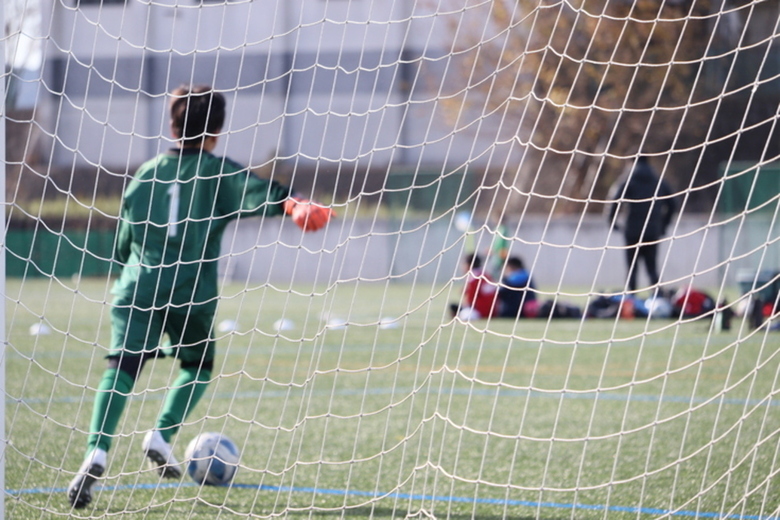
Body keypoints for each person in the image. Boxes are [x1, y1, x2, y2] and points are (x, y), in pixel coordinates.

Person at [67, 85, 334, 509]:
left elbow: (122, 245)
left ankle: (96, 451)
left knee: (122, 365)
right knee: (197, 364)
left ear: (171, 125)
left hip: (137, 284)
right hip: (189, 289)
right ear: (218, 130)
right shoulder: (214, 171)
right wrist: (296, 203)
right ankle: (161, 433)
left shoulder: (145, 175)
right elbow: (259, 191)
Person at [607, 155, 677, 293]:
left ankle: (632, 301)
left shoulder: (627, 180)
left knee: (632, 268)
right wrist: (663, 225)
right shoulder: (658, 181)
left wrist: (612, 222)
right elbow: (673, 204)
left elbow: (614, 201)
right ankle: (658, 298)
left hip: (632, 231)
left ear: (631, 162)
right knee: (652, 268)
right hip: (652, 231)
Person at [450, 253, 498, 320]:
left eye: (463, 264)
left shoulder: (473, 277)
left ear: (468, 265)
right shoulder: (485, 274)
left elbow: (470, 300)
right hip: (494, 310)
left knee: (457, 311)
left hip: (481, 311)